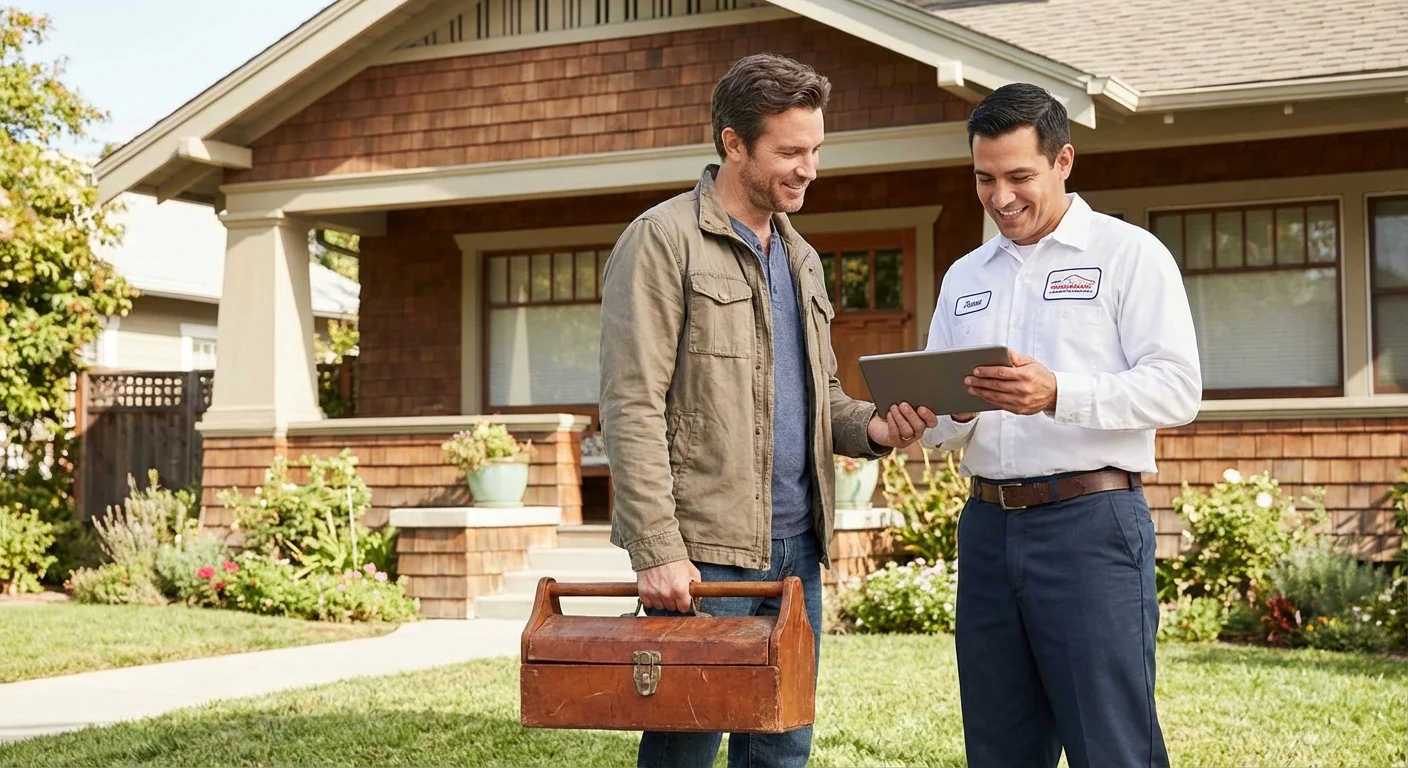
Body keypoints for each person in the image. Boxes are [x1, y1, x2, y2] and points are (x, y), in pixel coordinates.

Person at [598, 52, 936, 768]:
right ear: (733, 144)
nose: (808, 167)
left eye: (815, 150)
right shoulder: (662, 241)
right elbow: (632, 405)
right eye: (789, 151)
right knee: (686, 742)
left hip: (795, 553)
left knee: (782, 747)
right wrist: (656, 548)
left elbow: (824, 398)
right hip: (705, 555)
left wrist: (874, 428)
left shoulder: (801, 258)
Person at [921, 83, 1202, 768]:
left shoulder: (1128, 255)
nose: (1001, 196)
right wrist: (949, 414)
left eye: (1019, 176)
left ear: (1063, 160)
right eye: (985, 178)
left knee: (1113, 745)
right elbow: (936, 425)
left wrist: (1058, 393)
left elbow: (1177, 390)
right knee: (999, 745)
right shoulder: (965, 275)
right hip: (987, 529)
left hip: (1091, 524)